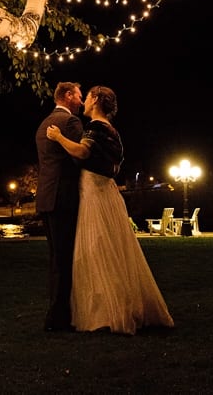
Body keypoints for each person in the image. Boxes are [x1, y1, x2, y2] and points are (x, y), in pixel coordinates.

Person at [47, 85, 174, 335]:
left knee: (96, 247)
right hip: (108, 192)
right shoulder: (113, 131)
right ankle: (125, 304)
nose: (83, 102)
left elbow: (83, 151)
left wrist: (59, 137)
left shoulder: (95, 127)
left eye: (87, 98)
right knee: (115, 247)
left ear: (95, 100)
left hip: (94, 192)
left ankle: (105, 311)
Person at [35, 81, 84, 331]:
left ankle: (55, 313)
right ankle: (59, 317)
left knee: (56, 258)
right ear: (67, 95)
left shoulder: (44, 123)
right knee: (65, 259)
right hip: (64, 198)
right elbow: (80, 157)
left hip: (46, 198)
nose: (82, 101)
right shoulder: (71, 124)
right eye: (78, 95)